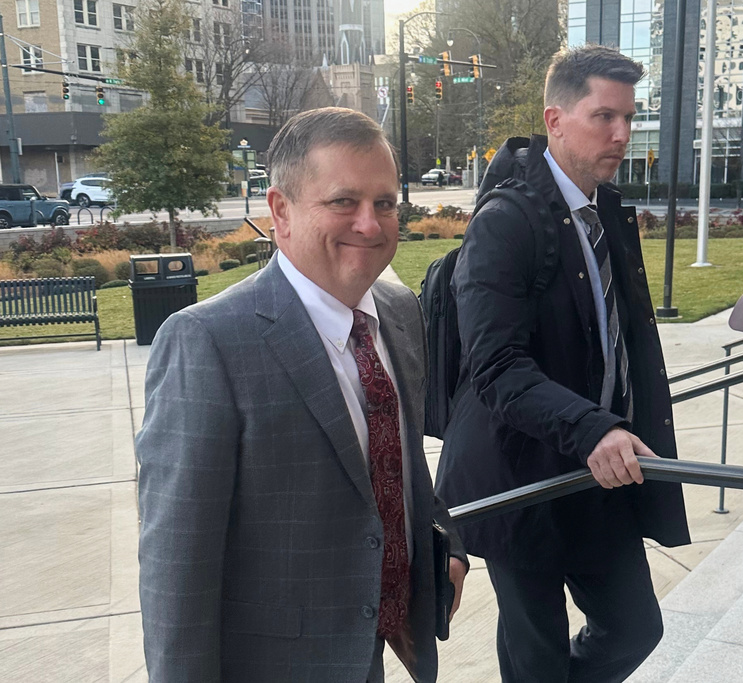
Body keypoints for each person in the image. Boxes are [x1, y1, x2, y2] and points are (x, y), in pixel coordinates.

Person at [136, 107, 468, 683]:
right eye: (344, 201)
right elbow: (177, 565)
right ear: (281, 211)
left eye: (385, 203)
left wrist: (443, 537)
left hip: (374, 652)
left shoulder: (399, 311)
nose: (370, 224)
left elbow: (397, 461)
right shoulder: (207, 343)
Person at [435, 45, 689, 683]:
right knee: (536, 659)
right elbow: (494, 366)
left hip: (591, 471)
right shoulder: (505, 223)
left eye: (629, 117)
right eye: (604, 117)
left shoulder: (605, 208)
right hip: (521, 475)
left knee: (635, 626)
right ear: (554, 120)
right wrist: (593, 427)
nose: (623, 134)